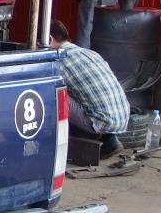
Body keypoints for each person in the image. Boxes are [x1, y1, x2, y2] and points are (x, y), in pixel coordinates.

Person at [48, 20, 130, 157]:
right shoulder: (90, 53)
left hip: (100, 121)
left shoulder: (59, 61)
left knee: (50, 91)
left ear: (50, 39)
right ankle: (108, 139)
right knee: (76, 91)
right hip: (122, 117)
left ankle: (62, 140)